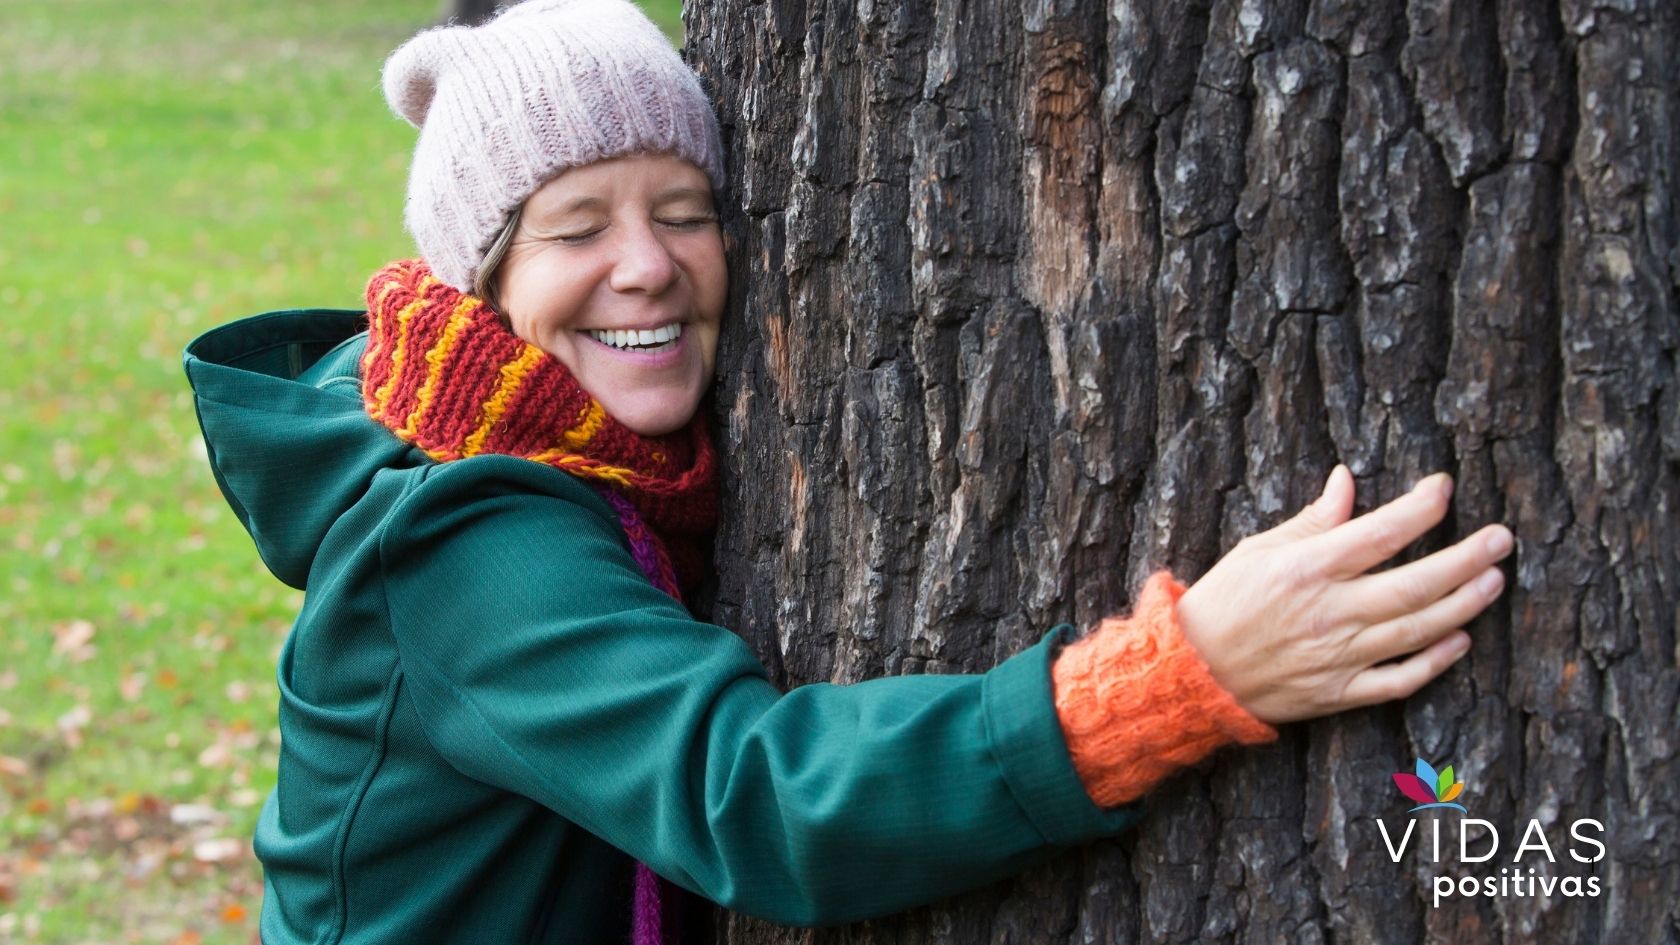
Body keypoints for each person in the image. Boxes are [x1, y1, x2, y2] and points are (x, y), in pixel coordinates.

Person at [180, 1, 1516, 942]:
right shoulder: (465, 539)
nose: (645, 263)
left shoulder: (590, 458)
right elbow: (749, 793)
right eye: (576, 228)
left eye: (684, 211)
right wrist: (1169, 682)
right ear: (485, 286)